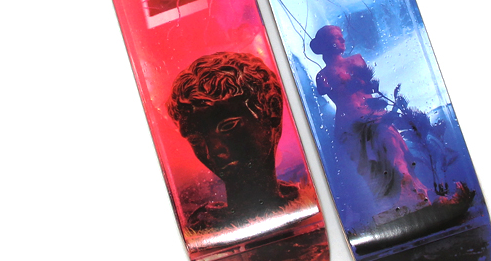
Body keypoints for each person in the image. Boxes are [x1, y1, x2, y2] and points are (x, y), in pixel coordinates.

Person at [168, 52, 299, 230]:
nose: (213, 150)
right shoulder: (200, 227)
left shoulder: (314, 201)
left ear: (272, 108)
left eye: (228, 127)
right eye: (196, 139)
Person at [310, 25, 429, 210]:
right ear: (326, 43)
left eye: (341, 36)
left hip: (373, 114)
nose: (342, 40)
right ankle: (390, 203)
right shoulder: (322, 76)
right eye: (336, 37)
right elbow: (324, 90)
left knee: (393, 148)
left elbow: (369, 85)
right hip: (349, 123)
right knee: (368, 164)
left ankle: (412, 191)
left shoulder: (356, 60)